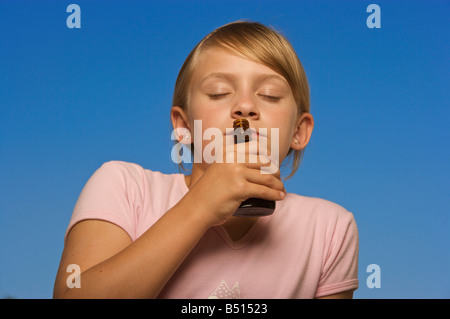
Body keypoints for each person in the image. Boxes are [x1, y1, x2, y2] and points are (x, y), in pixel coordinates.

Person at [53, 21, 358, 299]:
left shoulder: (330, 228)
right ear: (184, 127)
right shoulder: (124, 186)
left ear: (299, 131)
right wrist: (200, 207)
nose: (245, 106)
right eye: (219, 92)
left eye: (269, 94)